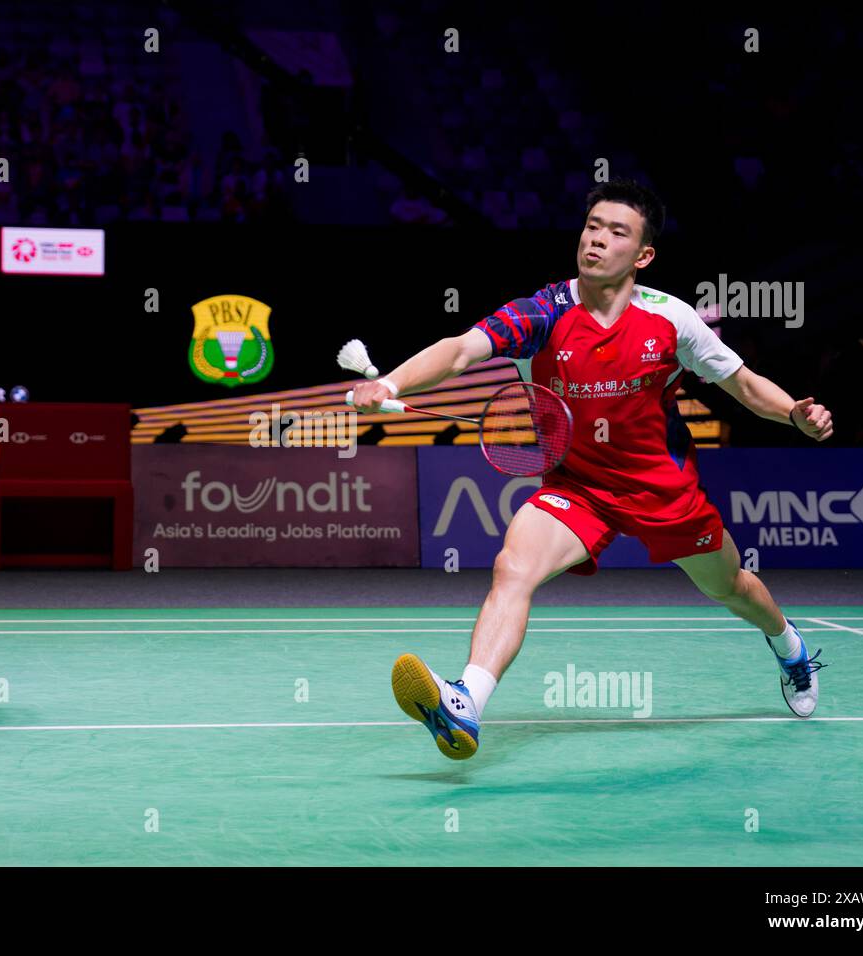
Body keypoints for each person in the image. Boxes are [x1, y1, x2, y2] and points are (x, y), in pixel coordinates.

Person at [351, 179, 833, 760]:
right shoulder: (542, 313)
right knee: (513, 568)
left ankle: (789, 647)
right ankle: (466, 703)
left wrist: (794, 416)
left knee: (730, 588)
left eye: (616, 232)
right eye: (592, 227)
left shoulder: (670, 319)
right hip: (578, 487)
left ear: (644, 254)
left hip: (662, 489)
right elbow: (459, 350)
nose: (597, 240)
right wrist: (390, 383)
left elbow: (744, 385)